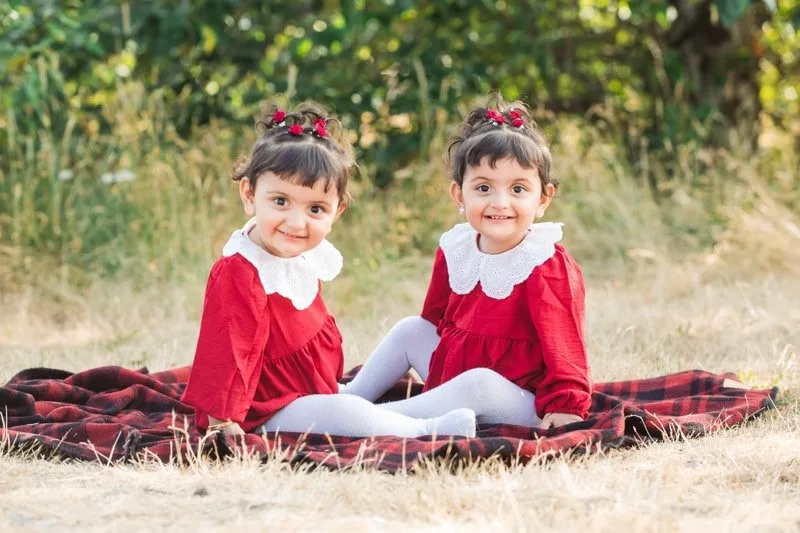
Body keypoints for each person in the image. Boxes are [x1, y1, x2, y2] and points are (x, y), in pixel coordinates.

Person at [181, 102, 477, 439]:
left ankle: (441, 399)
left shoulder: (297, 252)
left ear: (336, 213)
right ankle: (427, 427)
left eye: (316, 209)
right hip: (264, 408)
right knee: (341, 412)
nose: (296, 222)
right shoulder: (241, 271)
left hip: (316, 390)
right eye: (280, 201)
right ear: (249, 194)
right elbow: (225, 353)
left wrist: (327, 383)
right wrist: (222, 420)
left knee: (410, 331)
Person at [341, 96, 592, 430]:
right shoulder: (456, 248)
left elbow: (565, 345)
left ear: (543, 198)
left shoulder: (544, 262)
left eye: (518, 189)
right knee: (411, 329)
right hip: (454, 376)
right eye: (484, 187)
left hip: (516, 397)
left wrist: (566, 403)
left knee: (479, 383)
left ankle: (378, 420)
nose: (500, 203)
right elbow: (435, 320)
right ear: (460, 196)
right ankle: (350, 398)